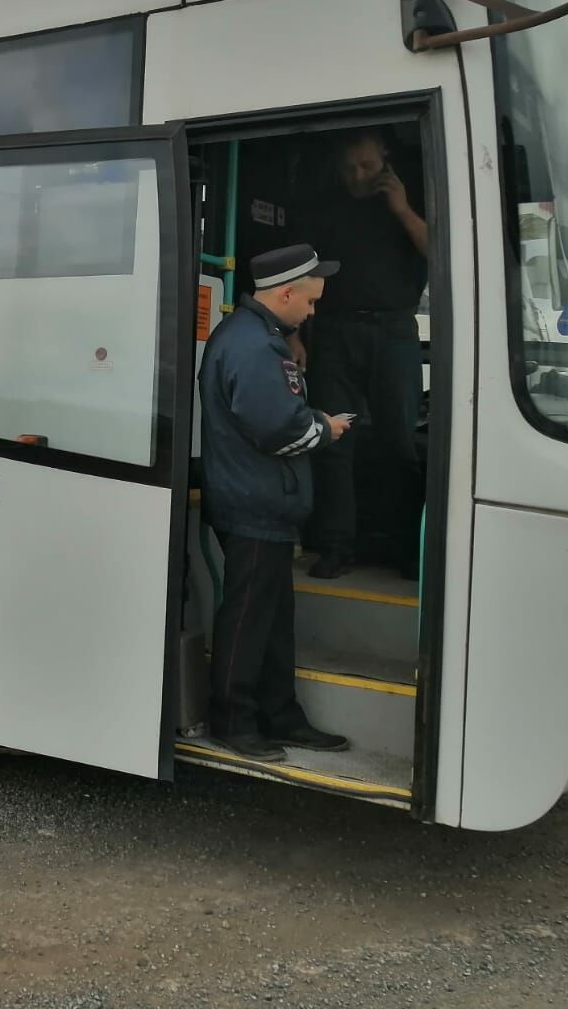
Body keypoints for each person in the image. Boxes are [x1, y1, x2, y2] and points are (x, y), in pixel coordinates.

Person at [199, 243, 352, 761]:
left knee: (272, 618)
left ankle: (280, 715)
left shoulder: (259, 337)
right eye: (309, 302)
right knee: (247, 618)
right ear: (285, 293)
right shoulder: (253, 346)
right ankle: (234, 720)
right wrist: (325, 429)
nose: (311, 313)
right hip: (254, 501)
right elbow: (276, 429)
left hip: (262, 500)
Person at [301, 129, 428, 580]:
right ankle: (336, 546)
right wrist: (296, 331)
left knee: (399, 442)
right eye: (350, 168)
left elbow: (442, 254)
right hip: (333, 330)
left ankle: (408, 549)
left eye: (367, 166)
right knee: (333, 442)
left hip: (394, 329)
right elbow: (303, 273)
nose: (358, 175)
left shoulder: (411, 201)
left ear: (386, 161)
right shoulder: (325, 209)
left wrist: (401, 208)